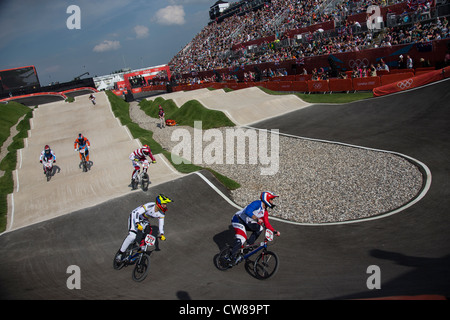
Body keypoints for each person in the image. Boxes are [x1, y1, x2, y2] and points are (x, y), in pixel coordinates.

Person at [115, 194, 173, 262]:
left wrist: (162, 234)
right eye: (164, 204)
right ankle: (120, 254)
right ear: (159, 203)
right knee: (132, 236)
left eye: (165, 204)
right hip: (135, 216)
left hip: (143, 220)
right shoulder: (150, 205)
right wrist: (137, 223)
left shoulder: (161, 213)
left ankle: (142, 248)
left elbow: (161, 224)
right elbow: (136, 212)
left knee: (149, 231)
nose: (165, 206)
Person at [229, 191, 281, 264]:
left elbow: (267, 224)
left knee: (260, 228)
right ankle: (231, 257)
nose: (272, 202)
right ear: (266, 199)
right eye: (271, 200)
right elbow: (248, 211)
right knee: (242, 238)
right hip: (237, 220)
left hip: (246, 223)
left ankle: (248, 245)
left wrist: (274, 231)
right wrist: (257, 219)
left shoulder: (265, 212)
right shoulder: (257, 203)